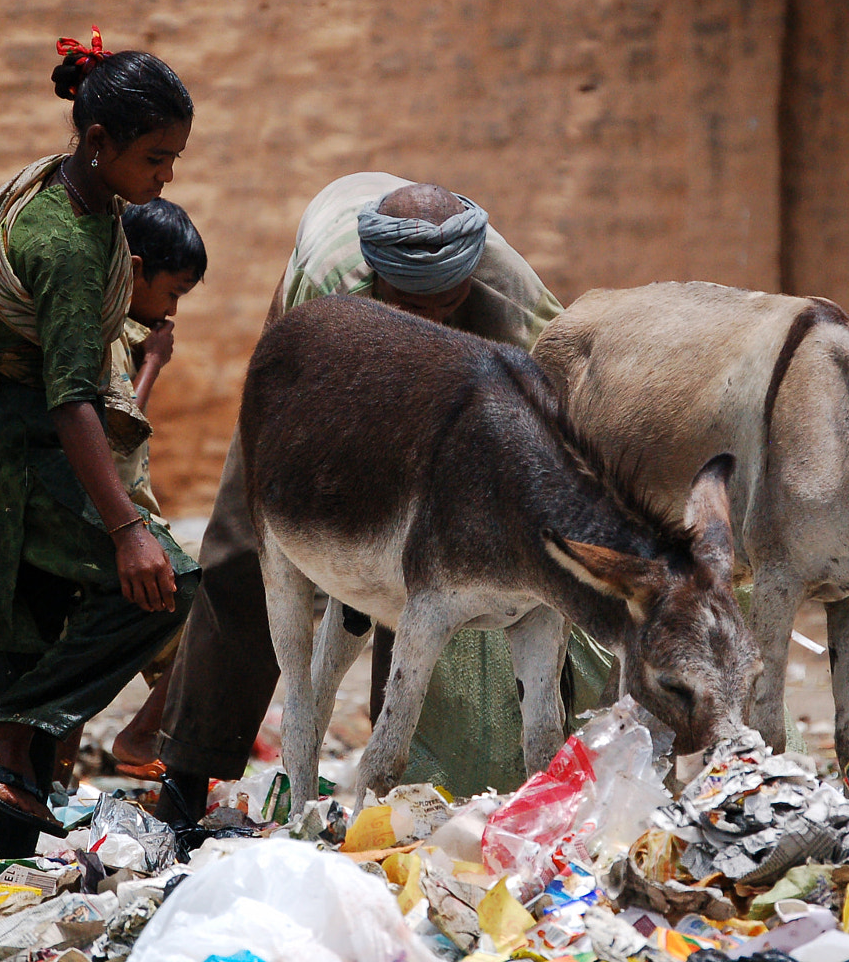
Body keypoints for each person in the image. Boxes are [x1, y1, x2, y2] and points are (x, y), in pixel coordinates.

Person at [155, 172, 612, 823]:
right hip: (332, 379)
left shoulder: (512, 304)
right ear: (376, 280)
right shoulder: (332, 289)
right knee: (243, 546)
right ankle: (190, 764)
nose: (426, 325)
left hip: (459, 394)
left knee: (433, 568)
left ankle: (393, 789)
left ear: (466, 281)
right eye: (407, 308)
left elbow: (561, 411)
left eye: (440, 306)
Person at [0, 28, 201, 856]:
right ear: (96, 142)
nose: (166, 178)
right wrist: (127, 530)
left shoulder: (84, 207)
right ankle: (1, 731)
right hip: (25, 457)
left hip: (24, 452)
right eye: (155, 158)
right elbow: (72, 399)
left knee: (31, 630)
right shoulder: (68, 243)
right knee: (169, 582)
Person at [105, 198, 207, 777]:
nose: (171, 309)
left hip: (132, 520)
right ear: (135, 269)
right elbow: (118, 429)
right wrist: (154, 364)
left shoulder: (121, 328)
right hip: (125, 524)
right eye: (170, 293)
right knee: (207, 627)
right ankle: (142, 737)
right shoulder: (115, 335)